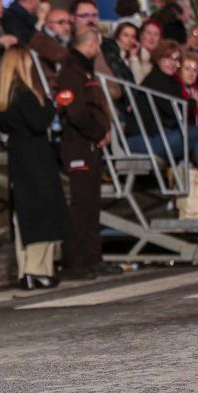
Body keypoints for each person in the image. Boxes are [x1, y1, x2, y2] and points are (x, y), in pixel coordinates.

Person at [0, 48, 73, 290]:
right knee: (43, 210)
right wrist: (53, 104)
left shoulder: (2, 95)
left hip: (18, 156)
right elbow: (39, 122)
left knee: (25, 215)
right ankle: (39, 270)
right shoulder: (25, 95)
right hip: (36, 157)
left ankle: (27, 270)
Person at [55, 29, 120, 280]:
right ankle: (75, 262)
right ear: (91, 43)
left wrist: (103, 129)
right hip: (79, 145)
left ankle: (93, 259)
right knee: (81, 205)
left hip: (90, 145)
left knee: (92, 204)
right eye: (98, 44)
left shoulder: (84, 69)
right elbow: (76, 112)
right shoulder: (72, 71)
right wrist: (98, 132)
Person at [125, 41, 198, 197]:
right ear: (159, 59)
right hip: (141, 139)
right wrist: (194, 102)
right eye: (168, 58)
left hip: (156, 135)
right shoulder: (156, 78)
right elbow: (175, 109)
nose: (172, 63)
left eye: (176, 59)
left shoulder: (170, 81)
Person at [28, 7, 73, 83]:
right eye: (61, 22)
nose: (67, 27)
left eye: (69, 23)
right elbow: (59, 55)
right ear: (48, 24)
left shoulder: (70, 41)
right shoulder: (39, 39)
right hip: (47, 86)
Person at [178, 52, 198, 126]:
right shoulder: (175, 88)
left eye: (195, 70)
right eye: (187, 69)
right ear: (179, 70)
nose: (191, 74)